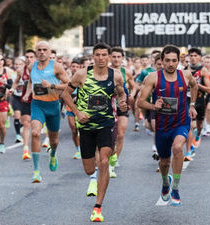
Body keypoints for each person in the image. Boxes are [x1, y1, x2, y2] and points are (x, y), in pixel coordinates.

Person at [61, 42, 127, 222]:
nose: (100, 58)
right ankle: (94, 178)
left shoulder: (116, 76)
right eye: (97, 55)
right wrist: (77, 112)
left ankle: (98, 206)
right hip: (86, 126)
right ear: (93, 57)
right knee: (89, 168)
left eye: (104, 55)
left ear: (108, 57)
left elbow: (121, 93)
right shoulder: (82, 74)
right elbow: (65, 94)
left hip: (106, 123)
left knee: (104, 161)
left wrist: (122, 102)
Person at [138, 45, 198, 206]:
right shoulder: (152, 78)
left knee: (178, 148)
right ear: (161, 61)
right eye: (167, 61)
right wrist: (153, 106)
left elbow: (194, 86)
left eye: (174, 60)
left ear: (179, 61)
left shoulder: (185, 75)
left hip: (181, 121)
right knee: (164, 162)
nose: (171, 64)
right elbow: (140, 101)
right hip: (163, 125)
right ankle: (165, 182)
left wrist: (192, 104)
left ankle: (176, 189)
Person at [23, 41, 69, 181]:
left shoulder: (56, 66)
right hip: (37, 104)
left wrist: (52, 85)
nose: (42, 52)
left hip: (53, 105)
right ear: (36, 52)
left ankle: (53, 154)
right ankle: (36, 171)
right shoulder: (32, 66)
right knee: (35, 133)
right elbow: (31, 81)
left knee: (54, 140)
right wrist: (27, 93)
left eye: (45, 50)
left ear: (49, 52)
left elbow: (69, 84)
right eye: (39, 50)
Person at [109, 47, 135, 177]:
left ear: (122, 58)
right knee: (110, 135)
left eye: (119, 57)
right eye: (114, 56)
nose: (116, 59)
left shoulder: (127, 72)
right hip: (108, 107)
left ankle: (113, 162)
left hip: (122, 105)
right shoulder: (105, 71)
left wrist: (132, 95)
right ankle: (108, 156)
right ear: (110, 57)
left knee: (120, 134)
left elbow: (133, 86)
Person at [184, 48, 210, 161]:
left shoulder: (203, 70)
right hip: (187, 100)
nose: (193, 58)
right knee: (189, 125)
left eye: (195, 55)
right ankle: (189, 151)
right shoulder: (184, 70)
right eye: (191, 55)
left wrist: (196, 85)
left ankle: (198, 135)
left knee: (199, 126)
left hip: (199, 100)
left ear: (199, 57)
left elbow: (209, 89)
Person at [13, 49, 37, 160]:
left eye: (31, 57)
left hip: (39, 100)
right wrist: (12, 89)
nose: (29, 59)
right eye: (27, 57)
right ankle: (26, 149)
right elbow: (16, 81)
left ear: (35, 58)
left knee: (36, 127)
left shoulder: (40, 69)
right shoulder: (21, 70)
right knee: (26, 123)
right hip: (26, 99)